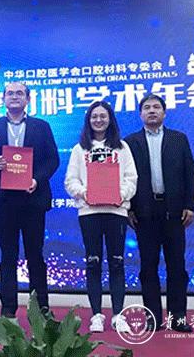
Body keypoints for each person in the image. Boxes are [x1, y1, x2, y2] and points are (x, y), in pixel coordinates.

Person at [0, 82, 59, 318]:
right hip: (4, 201)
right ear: (3, 99)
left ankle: (40, 308)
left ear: (28, 99)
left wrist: (37, 179)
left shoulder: (42, 127)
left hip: (33, 199)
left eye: (19, 93)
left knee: (35, 255)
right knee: (8, 255)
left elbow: (52, 160)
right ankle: (8, 309)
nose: (14, 97)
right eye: (10, 93)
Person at [125, 94, 194, 333]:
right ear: (140, 114)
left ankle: (178, 318)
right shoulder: (130, 142)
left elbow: (190, 174)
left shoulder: (179, 139)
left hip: (174, 212)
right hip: (144, 213)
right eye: (147, 107)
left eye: (156, 107)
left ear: (164, 113)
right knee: (148, 268)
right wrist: (129, 208)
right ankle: (153, 318)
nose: (152, 111)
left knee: (177, 267)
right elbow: (125, 178)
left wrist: (190, 205)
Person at [64, 101, 137, 333]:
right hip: (90, 212)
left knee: (117, 262)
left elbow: (131, 178)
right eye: (94, 116)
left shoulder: (122, 148)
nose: (98, 120)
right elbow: (71, 181)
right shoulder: (80, 149)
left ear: (110, 119)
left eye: (103, 116)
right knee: (93, 262)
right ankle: (96, 314)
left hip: (116, 212)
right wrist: (86, 193)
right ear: (88, 120)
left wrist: (119, 194)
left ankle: (118, 315)